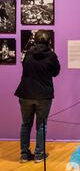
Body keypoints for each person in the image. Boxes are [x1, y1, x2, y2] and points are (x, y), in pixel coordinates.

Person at [15, 30, 60, 163]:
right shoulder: (51, 55)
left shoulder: (28, 53)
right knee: (41, 125)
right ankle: (39, 155)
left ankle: (24, 155)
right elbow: (56, 72)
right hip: (43, 95)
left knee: (25, 125)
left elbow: (24, 66)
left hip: (25, 93)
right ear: (49, 41)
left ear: (35, 40)